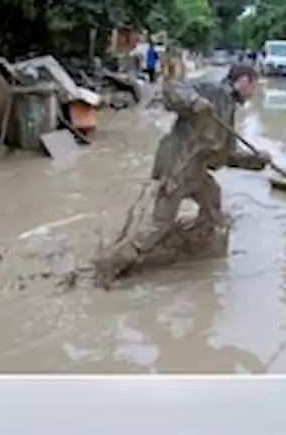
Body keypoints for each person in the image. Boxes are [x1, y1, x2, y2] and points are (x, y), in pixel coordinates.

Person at [93, 64, 269, 287]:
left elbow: (226, 155)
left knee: (213, 201)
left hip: (195, 171)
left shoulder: (228, 107)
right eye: (253, 87)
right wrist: (194, 102)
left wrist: (256, 161)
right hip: (176, 169)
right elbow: (171, 88)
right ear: (244, 81)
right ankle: (110, 266)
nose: (252, 94)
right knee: (159, 225)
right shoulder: (212, 90)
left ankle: (193, 249)